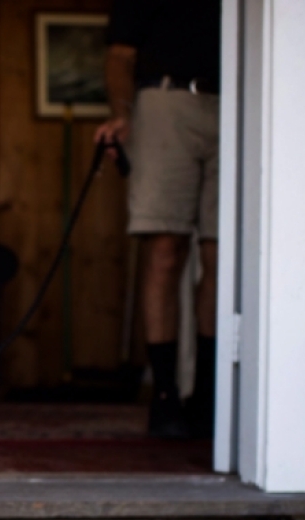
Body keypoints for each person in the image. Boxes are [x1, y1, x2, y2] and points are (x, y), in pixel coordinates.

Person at [94, 0, 221, 439]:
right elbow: (120, 53)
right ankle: (165, 396)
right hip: (166, 102)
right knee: (165, 250)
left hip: (239, 102)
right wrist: (122, 115)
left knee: (221, 254)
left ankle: (206, 395)